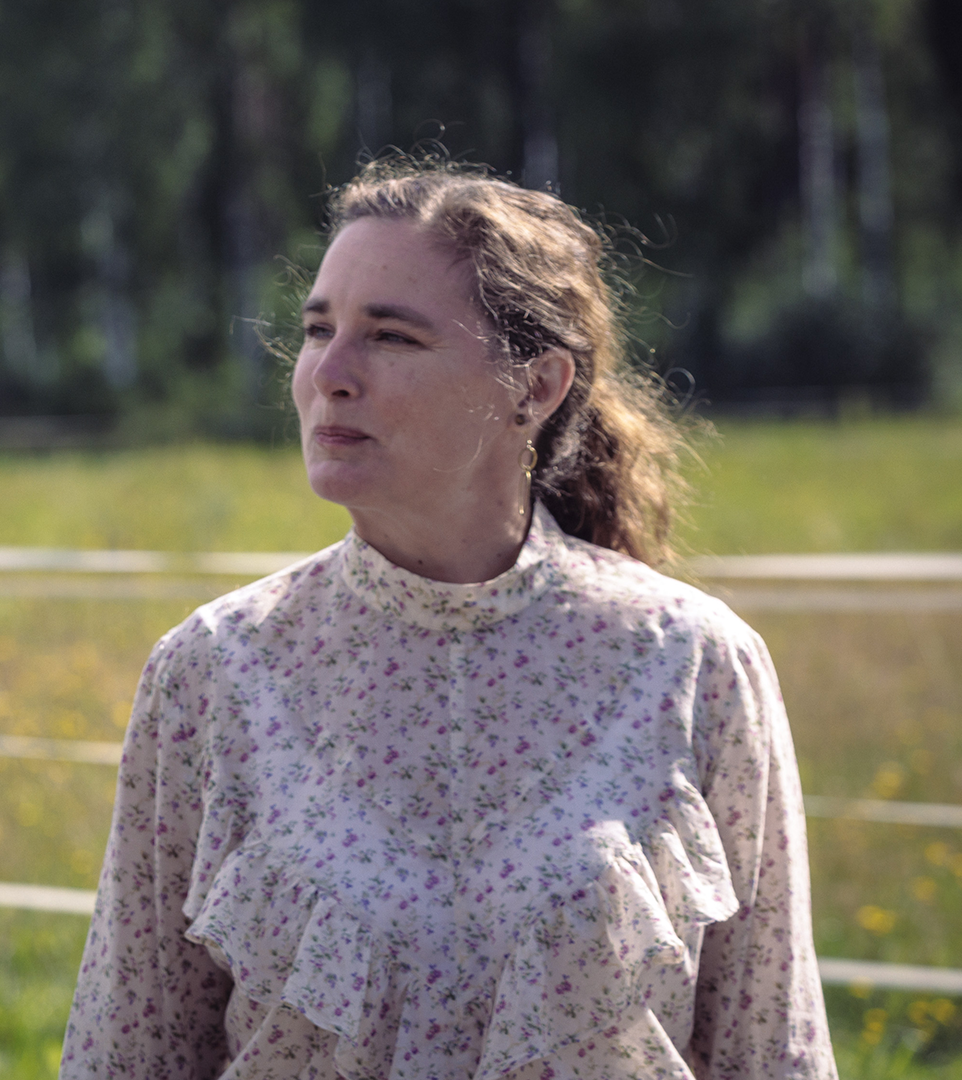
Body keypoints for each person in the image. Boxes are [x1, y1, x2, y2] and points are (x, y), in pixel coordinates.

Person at [61, 160, 834, 1079]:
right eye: (318, 330)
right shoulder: (214, 668)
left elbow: (773, 1048)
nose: (329, 374)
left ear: (535, 387)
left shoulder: (691, 662)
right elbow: (128, 1048)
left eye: (391, 336)